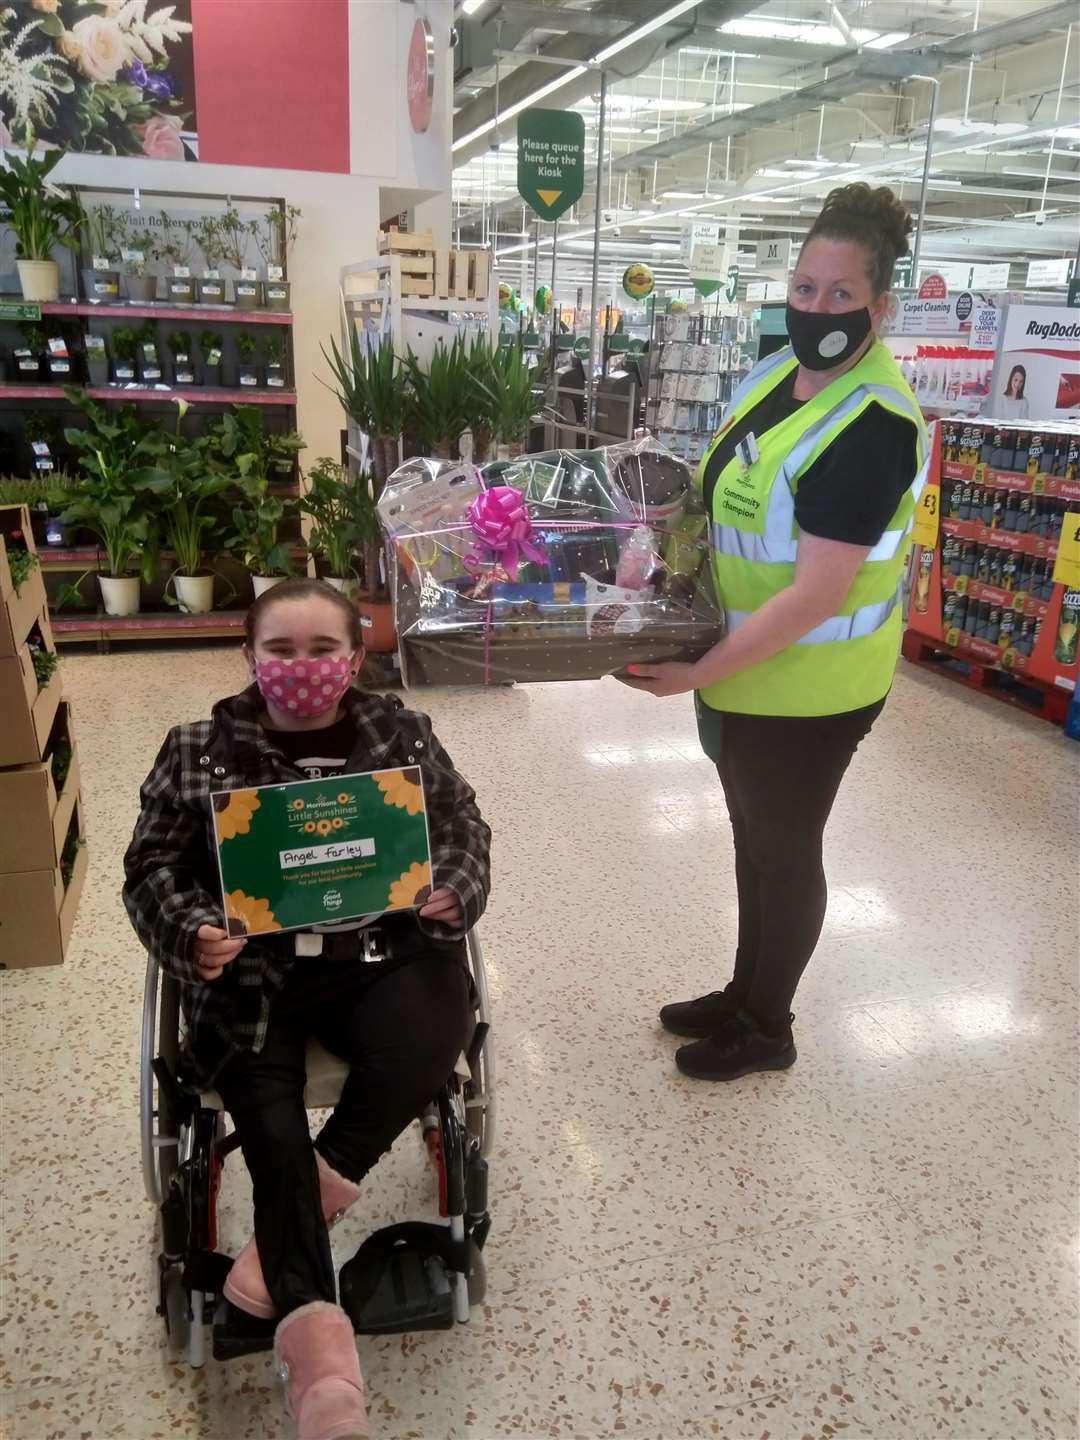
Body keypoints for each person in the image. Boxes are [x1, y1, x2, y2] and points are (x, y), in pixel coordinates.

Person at [123, 578, 491, 1440]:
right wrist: (194, 933)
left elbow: (462, 823)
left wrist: (455, 890)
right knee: (272, 1126)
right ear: (249, 656)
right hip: (255, 976)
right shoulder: (197, 747)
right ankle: (321, 1370)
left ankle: (295, 1218)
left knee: (437, 1028)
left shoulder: (399, 731)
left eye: (322, 649)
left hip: (383, 956)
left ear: (354, 657)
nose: (301, 667)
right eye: (279, 650)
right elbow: (151, 869)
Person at [620, 183, 927, 1083]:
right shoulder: (773, 379)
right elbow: (729, 496)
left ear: (881, 306)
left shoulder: (872, 424)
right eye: (804, 287)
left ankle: (769, 1028)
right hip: (743, 671)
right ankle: (744, 990)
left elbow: (817, 594)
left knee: (785, 850)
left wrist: (697, 669)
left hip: (810, 687)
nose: (816, 308)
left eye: (840, 295)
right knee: (752, 839)